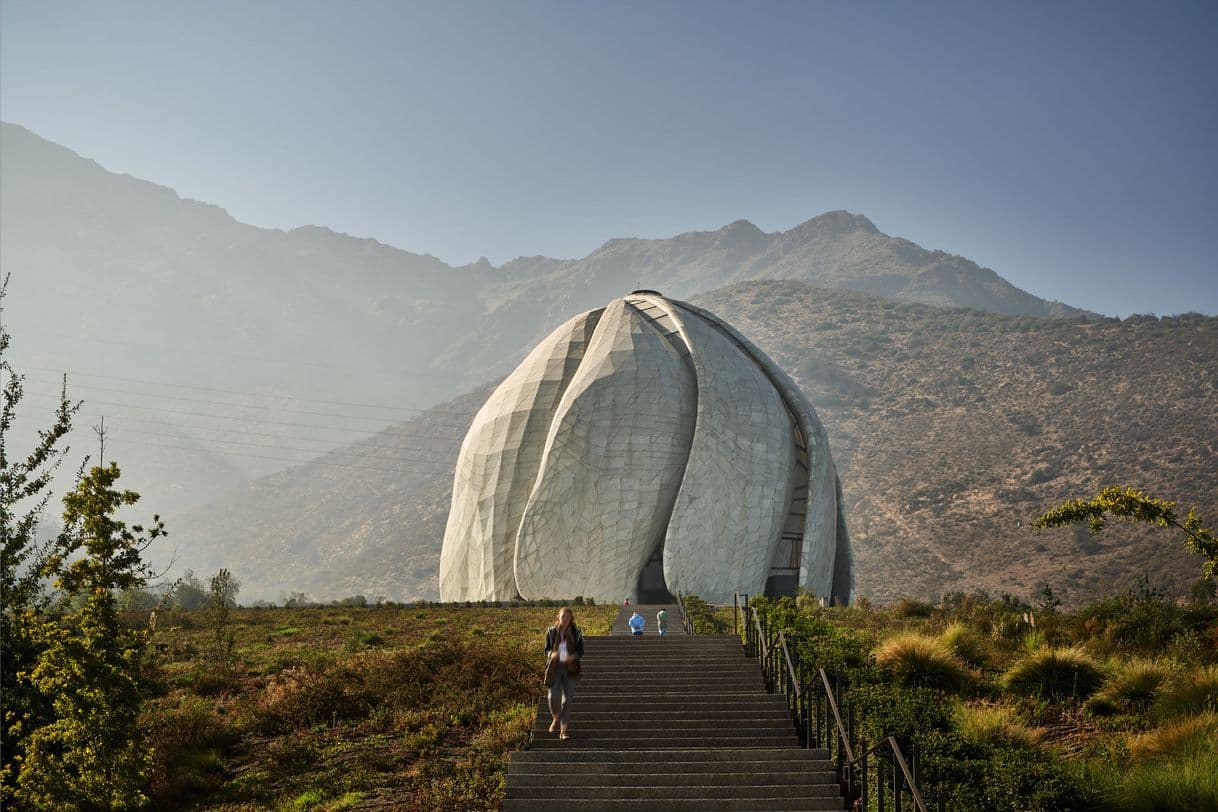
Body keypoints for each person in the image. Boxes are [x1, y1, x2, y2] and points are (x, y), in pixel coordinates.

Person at [544, 606, 583, 740]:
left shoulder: (576, 633)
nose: (566, 619)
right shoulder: (551, 632)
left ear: (571, 619)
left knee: (567, 700)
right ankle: (555, 717)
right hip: (555, 668)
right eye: (563, 617)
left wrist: (572, 657)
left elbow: (581, 652)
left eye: (568, 617)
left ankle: (563, 732)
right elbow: (546, 650)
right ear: (558, 618)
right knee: (553, 696)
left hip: (570, 669)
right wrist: (551, 654)